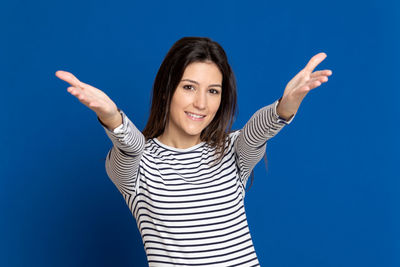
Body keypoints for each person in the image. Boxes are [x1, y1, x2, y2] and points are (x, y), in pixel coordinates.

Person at [55, 36, 332, 267]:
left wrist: (286, 105)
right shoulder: (138, 168)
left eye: (213, 91)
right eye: (189, 87)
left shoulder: (232, 152)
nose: (201, 103)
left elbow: (258, 131)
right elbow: (131, 147)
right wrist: (112, 117)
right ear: (166, 91)